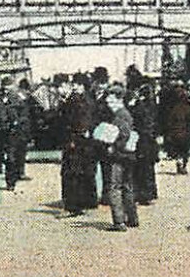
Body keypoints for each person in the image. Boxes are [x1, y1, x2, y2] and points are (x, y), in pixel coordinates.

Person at [92, 85, 139, 230]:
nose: (108, 103)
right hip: (129, 155)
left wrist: (114, 146)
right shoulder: (126, 113)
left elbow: (123, 134)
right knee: (127, 187)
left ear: (119, 99)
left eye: (110, 100)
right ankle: (132, 218)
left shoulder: (120, 115)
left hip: (119, 156)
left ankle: (119, 221)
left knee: (114, 187)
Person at [58, 78, 98, 213]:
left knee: (72, 172)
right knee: (85, 172)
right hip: (85, 142)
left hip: (74, 141)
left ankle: (73, 204)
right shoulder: (88, 99)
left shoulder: (73, 101)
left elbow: (70, 121)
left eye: (76, 84)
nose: (74, 87)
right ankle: (88, 201)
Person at [158, 78, 190, 175]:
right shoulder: (187, 101)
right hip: (185, 129)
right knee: (185, 148)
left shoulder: (169, 101)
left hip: (174, 127)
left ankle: (179, 161)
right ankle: (183, 164)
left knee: (176, 147)